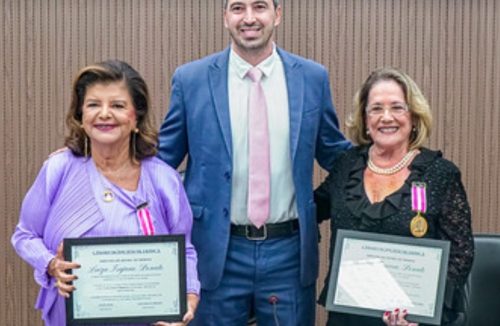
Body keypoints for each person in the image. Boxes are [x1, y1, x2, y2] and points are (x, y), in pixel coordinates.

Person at [157, 0, 350, 324]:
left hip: (288, 253)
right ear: (224, 17)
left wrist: (398, 161)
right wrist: (87, 158)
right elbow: (162, 160)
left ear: (277, 14)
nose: (249, 18)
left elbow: (335, 153)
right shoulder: (191, 80)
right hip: (216, 250)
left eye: (259, 7)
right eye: (237, 8)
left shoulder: (312, 78)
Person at [11, 60, 200, 326]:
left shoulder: (163, 179)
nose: (104, 114)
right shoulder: (59, 170)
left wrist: (189, 298)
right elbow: (24, 235)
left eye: (118, 105)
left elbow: (185, 250)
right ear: (81, 116)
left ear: (136, 118)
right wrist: (51, 264)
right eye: (93, 104)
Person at [314, 67, 474, 326]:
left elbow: (461, 252)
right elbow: (310, 209)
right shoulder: (346, 165)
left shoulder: (440, 174)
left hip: (409, 320)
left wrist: (425, 311)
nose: (386, 117)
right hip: (348, 316)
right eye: (376, 108)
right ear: (365, 120)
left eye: (397, 107)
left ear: (414, 117)